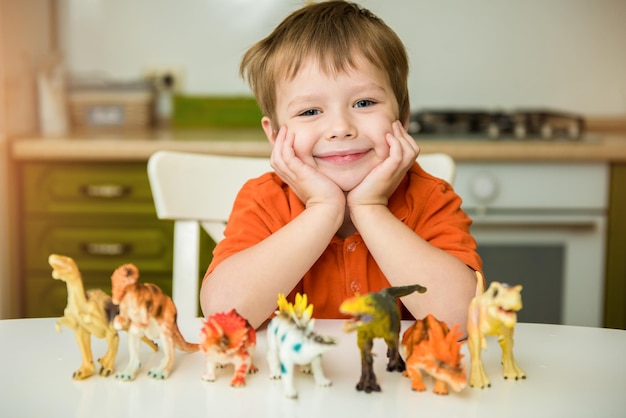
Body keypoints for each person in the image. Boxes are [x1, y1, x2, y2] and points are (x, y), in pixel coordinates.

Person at [200, 0, 482, 331]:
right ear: (275, 135)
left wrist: (371, 208)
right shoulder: (262, 200)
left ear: (402, 119)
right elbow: (224, 314)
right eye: (310, 111)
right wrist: (323, 208)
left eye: (364, 103)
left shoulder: (430, 196)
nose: (341, 127)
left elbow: (462, 319)